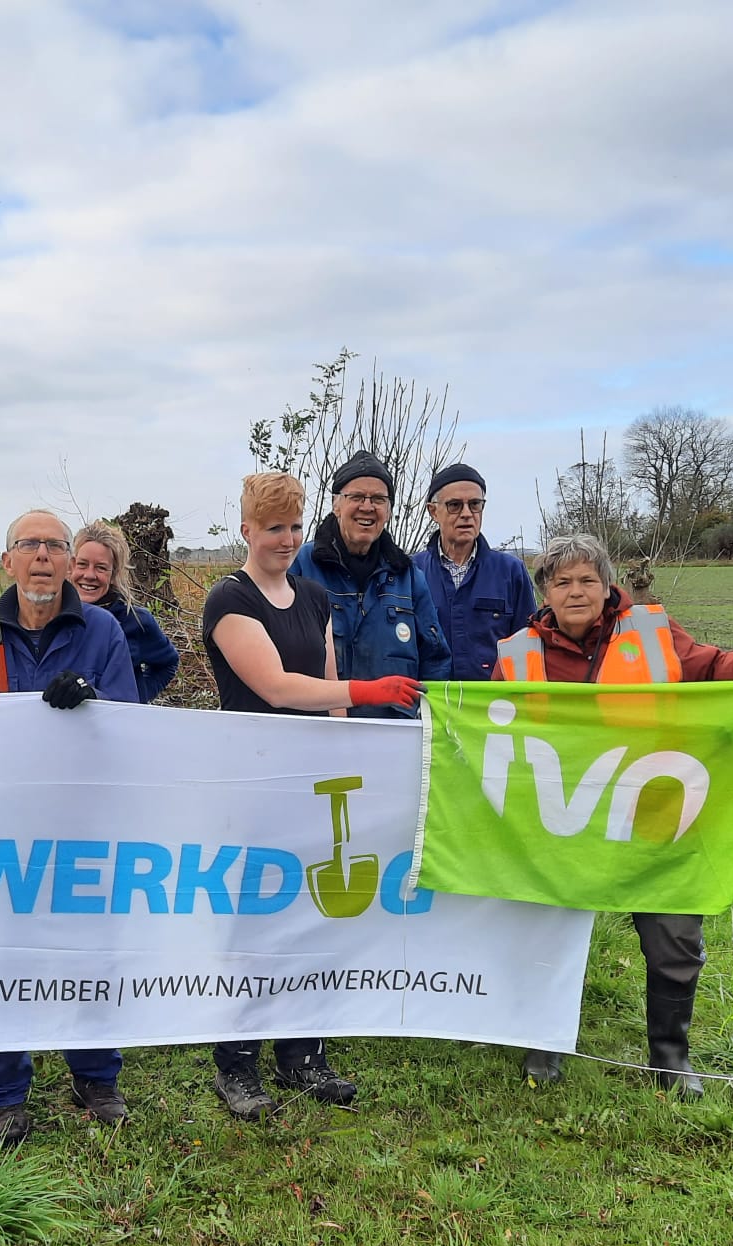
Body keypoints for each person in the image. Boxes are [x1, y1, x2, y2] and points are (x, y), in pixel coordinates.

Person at [495, 533, 733, 1095]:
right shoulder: (517, 652)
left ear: (607, 584)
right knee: (545, 932)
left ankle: (670, 1056)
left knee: (673, 934)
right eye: (563, 581)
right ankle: (543, 1042)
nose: (576, 592)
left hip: (650, 811)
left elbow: (713, 666)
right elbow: (492, 725)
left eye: (587, 581)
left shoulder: (651, 632)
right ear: (546, 589)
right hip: (561, 821)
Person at [199, 472, 423, 1120]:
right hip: (253, 783)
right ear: (246, 529)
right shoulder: (228, 600)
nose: (287, 540)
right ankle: (235, 1064)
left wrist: (346, 762)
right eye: (273, 528)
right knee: (254, 924)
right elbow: (277, 687)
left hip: (312, 787)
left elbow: (326, 692)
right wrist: (369, 689)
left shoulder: (315, 596)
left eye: (295, 527)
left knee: (311, 919)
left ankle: (303, 1053)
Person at [0, 508, 135, 1145]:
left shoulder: (102, 629)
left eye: (55, 545)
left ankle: (95, 1075)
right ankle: (2, 1091)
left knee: (90, 949)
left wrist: (93, 703)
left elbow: (132, 723)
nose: (44, 557)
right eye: (31, 545)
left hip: (82, 821)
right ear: (8, 560)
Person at [289, 449, 450, 715]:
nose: (367, 507)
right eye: (356, 497)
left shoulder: (408, 577)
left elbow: (435, 662)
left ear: (388, 510)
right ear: (336, 504)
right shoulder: (301, 567)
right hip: (322, 731)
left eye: (378, 499)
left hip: (395, 735)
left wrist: (428, 721)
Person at [412, 462, 537, 680]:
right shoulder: (412, 572)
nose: (467, 514)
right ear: (433, 511)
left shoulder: (510, 571)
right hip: (431, 703)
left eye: (475, 504)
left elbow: (527, 645)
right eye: (454, 505)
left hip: (494, 706)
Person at [70, 520, 179, 703]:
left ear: (114, 574)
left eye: (101, 568)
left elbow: (167, 663)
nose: (89, 575)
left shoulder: (136, 621)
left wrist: (138, 698)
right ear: (70, 566)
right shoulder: (50, 617)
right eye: (82, 564)